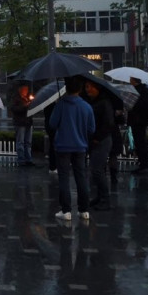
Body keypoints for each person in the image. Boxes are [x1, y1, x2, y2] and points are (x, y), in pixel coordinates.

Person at [49, 77, 95, 222]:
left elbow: (52, 124)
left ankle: (66, 210)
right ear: (80, 89)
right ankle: (84, 210)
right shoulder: (87, 107)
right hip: (80, 147)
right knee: (81, 177)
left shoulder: (61, 105)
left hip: (62, 146)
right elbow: (91, 128)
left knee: (63, 178)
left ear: (66, 89)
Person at [83, 80, 114, 211]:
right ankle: (99, 197)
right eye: (86, 87)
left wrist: (97, 138)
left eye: (89, 87)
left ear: (97, 88)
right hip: (96, 140)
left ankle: (105, 199)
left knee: (97, 170)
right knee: (95, 170)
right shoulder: (94, 102)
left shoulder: (104, 103)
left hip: (101, 140)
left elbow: (108, 124)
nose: (87, 90)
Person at [128, 76, 148, 174]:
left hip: (138, 121)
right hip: (140, 121)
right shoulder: (144, 91)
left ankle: (144, 164)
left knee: (140, 142)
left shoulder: (140, 92)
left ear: (134, 80)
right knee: (140, 142)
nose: (129, 81)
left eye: (130, 79)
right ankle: (143, 163)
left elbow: (139, 106)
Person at [10, 83, 34, 167]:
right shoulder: (15, 98)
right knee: (20, 142)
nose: (26, 91)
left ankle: (28, 159)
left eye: (27, 89)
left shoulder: (27, 97)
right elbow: (13, 109)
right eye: (25, 89)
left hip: (28, 122)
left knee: (28, 142)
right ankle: (21, 160)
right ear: (21, 89)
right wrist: (24, 106)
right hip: (20, 123)